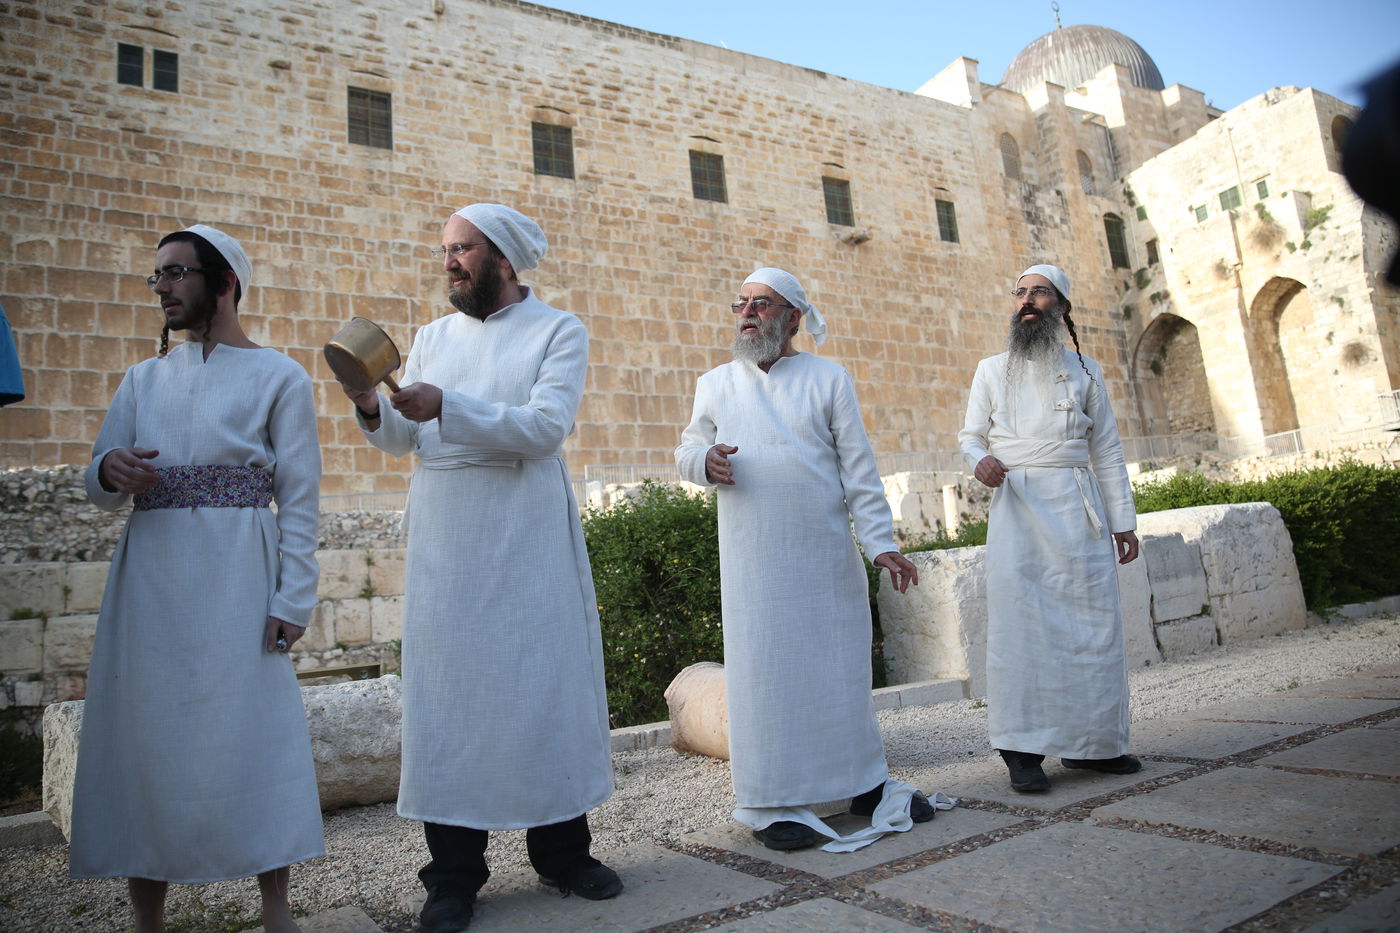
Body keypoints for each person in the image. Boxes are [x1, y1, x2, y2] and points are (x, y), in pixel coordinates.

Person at [341, 204, 618, 933]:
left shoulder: (559, 330)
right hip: (448, 540)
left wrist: (448, 405)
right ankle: (453, 876)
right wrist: (372, 404)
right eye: (445, 249)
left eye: (462, 249)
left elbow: (544, 427)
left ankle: (564, 853)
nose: (449, 261)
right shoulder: (432, 337)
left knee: (540, 686)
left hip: (525, 533)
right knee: (451, 699)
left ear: (502, 257)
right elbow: (403, 438)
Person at [69, 225, 323, 933]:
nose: (164, 288)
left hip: (241, 579)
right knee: (147, 738)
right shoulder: (141, 379)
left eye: (177, 273)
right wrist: (107, 468)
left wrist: (292, 596)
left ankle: (277, 911)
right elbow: (96, 481)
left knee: (255, 733)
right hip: (150, 580)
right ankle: (145, 915)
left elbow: (300, 499)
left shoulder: (280, 375)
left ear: (224, 283)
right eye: (157, 276)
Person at [676, 267, 944, 854]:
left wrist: (882, 544)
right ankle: (772, 800)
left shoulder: (828, 379)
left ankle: (862, 785)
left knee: (838, 675)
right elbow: (687, 449)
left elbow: (860, 471)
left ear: (793, 317)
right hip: (755, 569)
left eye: (762, 304)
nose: (747, 313)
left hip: (823, 559)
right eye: (741, 303)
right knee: (766, 679)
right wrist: (706, 463)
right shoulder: (715, 383)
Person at [959, 264, 1141, 794]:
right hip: (1018, 507)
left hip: (1078, 509)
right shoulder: (991, 370)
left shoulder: (1086, 370)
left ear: (1061, 306)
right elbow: (971, 437)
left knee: (1091, 628)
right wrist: (981, 462)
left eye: (1038, 291)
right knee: (1023, 631)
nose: (1027, 300)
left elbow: (1104, 447)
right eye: (1020, 291)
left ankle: (1096, 745)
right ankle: (1022, 751)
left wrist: (1122, 520)